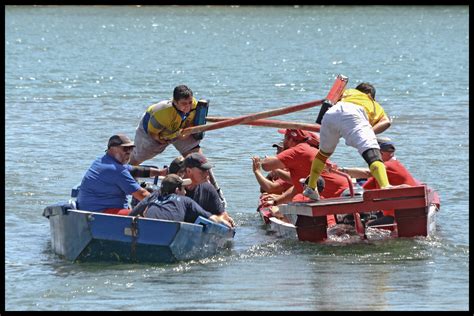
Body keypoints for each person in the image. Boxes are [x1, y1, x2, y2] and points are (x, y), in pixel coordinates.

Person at [304, 82, 392, 201]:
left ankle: (311, 187)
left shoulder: (347, 92)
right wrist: (368, 133)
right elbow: (386, 122)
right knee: (371, 151)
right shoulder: (373, 103)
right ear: (370, 95)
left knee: (323, 154)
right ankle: (385, 186)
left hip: (330, 114)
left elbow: (329, 100)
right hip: (354, 114)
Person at [336, 136, 419, 226]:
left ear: (378, 152)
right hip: (410, 213)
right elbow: (367, 187)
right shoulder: (396, 165)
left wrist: (340, 170)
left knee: (365, 226)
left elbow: (367, 173)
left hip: (396, 217)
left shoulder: (387, 166)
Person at [76, 134, 167, 215]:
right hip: (99, 214)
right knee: (146, 214)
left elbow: (135, 170)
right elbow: (141, 194)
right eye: (125, 149)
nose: (129, 152)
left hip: (90, 208)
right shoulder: (115, 170)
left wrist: (161, 172)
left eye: (131, 148)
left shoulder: (103, 160)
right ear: (112, 149)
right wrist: (165, 205)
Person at [129, 85, 203, 166]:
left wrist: (188, 129)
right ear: (175, 102)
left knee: (198, 160)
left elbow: (193, 120)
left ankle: (205, 177)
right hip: (154, 132)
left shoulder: (195, 105)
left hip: (180, 128)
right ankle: (126, 171)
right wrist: (161, 141)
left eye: (190, 102)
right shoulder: (162, 113)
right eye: (184, 104)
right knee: (138, 158)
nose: (188, 106)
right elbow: (152, 133)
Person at [143, 174, 232, 228]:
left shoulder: (154, 196)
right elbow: (207, 216)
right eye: (183, 188)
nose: (185, 191)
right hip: (172, 231)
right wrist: (223, 222)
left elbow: (138, 213)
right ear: (177, 190)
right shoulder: (185, 200)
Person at [183, 152, 235, 227]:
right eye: (203, 171)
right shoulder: (175, 190)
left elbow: (223, 215)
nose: (207, 175)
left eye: (207, 170)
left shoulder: (208, 188)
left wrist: (220, 219)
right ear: (189, 171)